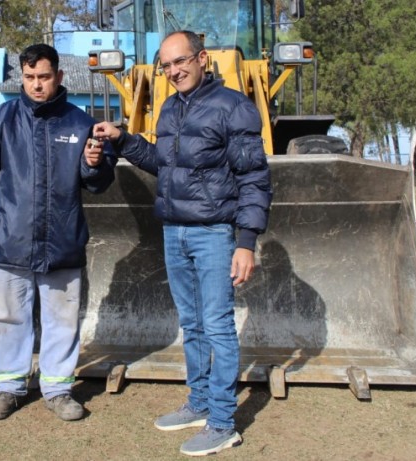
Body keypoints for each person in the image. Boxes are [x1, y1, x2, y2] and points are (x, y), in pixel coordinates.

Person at [91, 30, 272, 456]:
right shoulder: (170, 108)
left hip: (213, 234)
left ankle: (224, 423)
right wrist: (124, 140)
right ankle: (200, 402)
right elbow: (163, 164)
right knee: (191, 326)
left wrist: (245, 240)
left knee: (218, 326)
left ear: (202, 59)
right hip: (174, 231)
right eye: (166, 65)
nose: (174, 71)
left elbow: (253, 177)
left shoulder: (234, 107)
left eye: (181, 61)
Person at [0, 43, 116, 422]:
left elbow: (98, 181)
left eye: (44, 77)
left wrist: (94, 164)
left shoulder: (81, 124)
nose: (36, 85)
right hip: (7, 239)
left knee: (62, 320)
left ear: (59, 76)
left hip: (62, 241)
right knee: (8, 317)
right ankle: (10, 386)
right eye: (29, 78)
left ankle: (58, 388)